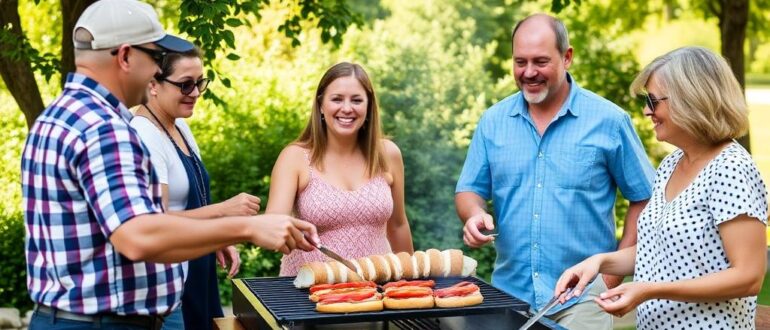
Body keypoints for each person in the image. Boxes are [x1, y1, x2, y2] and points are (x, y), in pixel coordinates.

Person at [21, 1, 318, 329]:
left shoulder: (58, 117)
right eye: (155, 59)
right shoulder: (104, 130)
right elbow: (138, 237)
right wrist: (247, 227)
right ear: (125, 56)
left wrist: (213, 236)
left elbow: (123, 228)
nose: (155, 72)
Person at [454, 14, 655, 329]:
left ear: (567, 57)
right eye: (520, 62)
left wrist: (611, 275)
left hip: (584, 297)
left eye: (540, 61)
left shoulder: (610, 121)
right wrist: (473, 215)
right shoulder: (492, 121)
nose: (529, 72)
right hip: (509, 295)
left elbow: (645, 198)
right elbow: (470, 190)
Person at [555, 46, 768, 330]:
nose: (646, 111)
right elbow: (658, 250)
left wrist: (649, 290)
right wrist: (598, 262)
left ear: (691, 100)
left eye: (653, 101)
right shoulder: (671, 164)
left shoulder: (731, 169)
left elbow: (749, 277)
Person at [130, 47, 259, 330]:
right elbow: (155, 222)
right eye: (185, 84)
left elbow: (193, 199)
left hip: (197, 268)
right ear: (153, 84)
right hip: (170, 281)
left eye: (200, 82)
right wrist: (224, 212)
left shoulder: (178, 126)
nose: (196, 92)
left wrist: (215, 239)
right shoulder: (145, 136)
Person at [266, 62, 414, 276]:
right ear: (321, 105)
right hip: (309, 291)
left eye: (356, 100)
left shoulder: (388, 154)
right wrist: (287, 233)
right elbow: (273, 226)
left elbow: (398, 226)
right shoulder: (295, 157)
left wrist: (412, 282)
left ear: (369, 107)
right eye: (337, 99)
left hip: (377, 287)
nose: (347, 108)